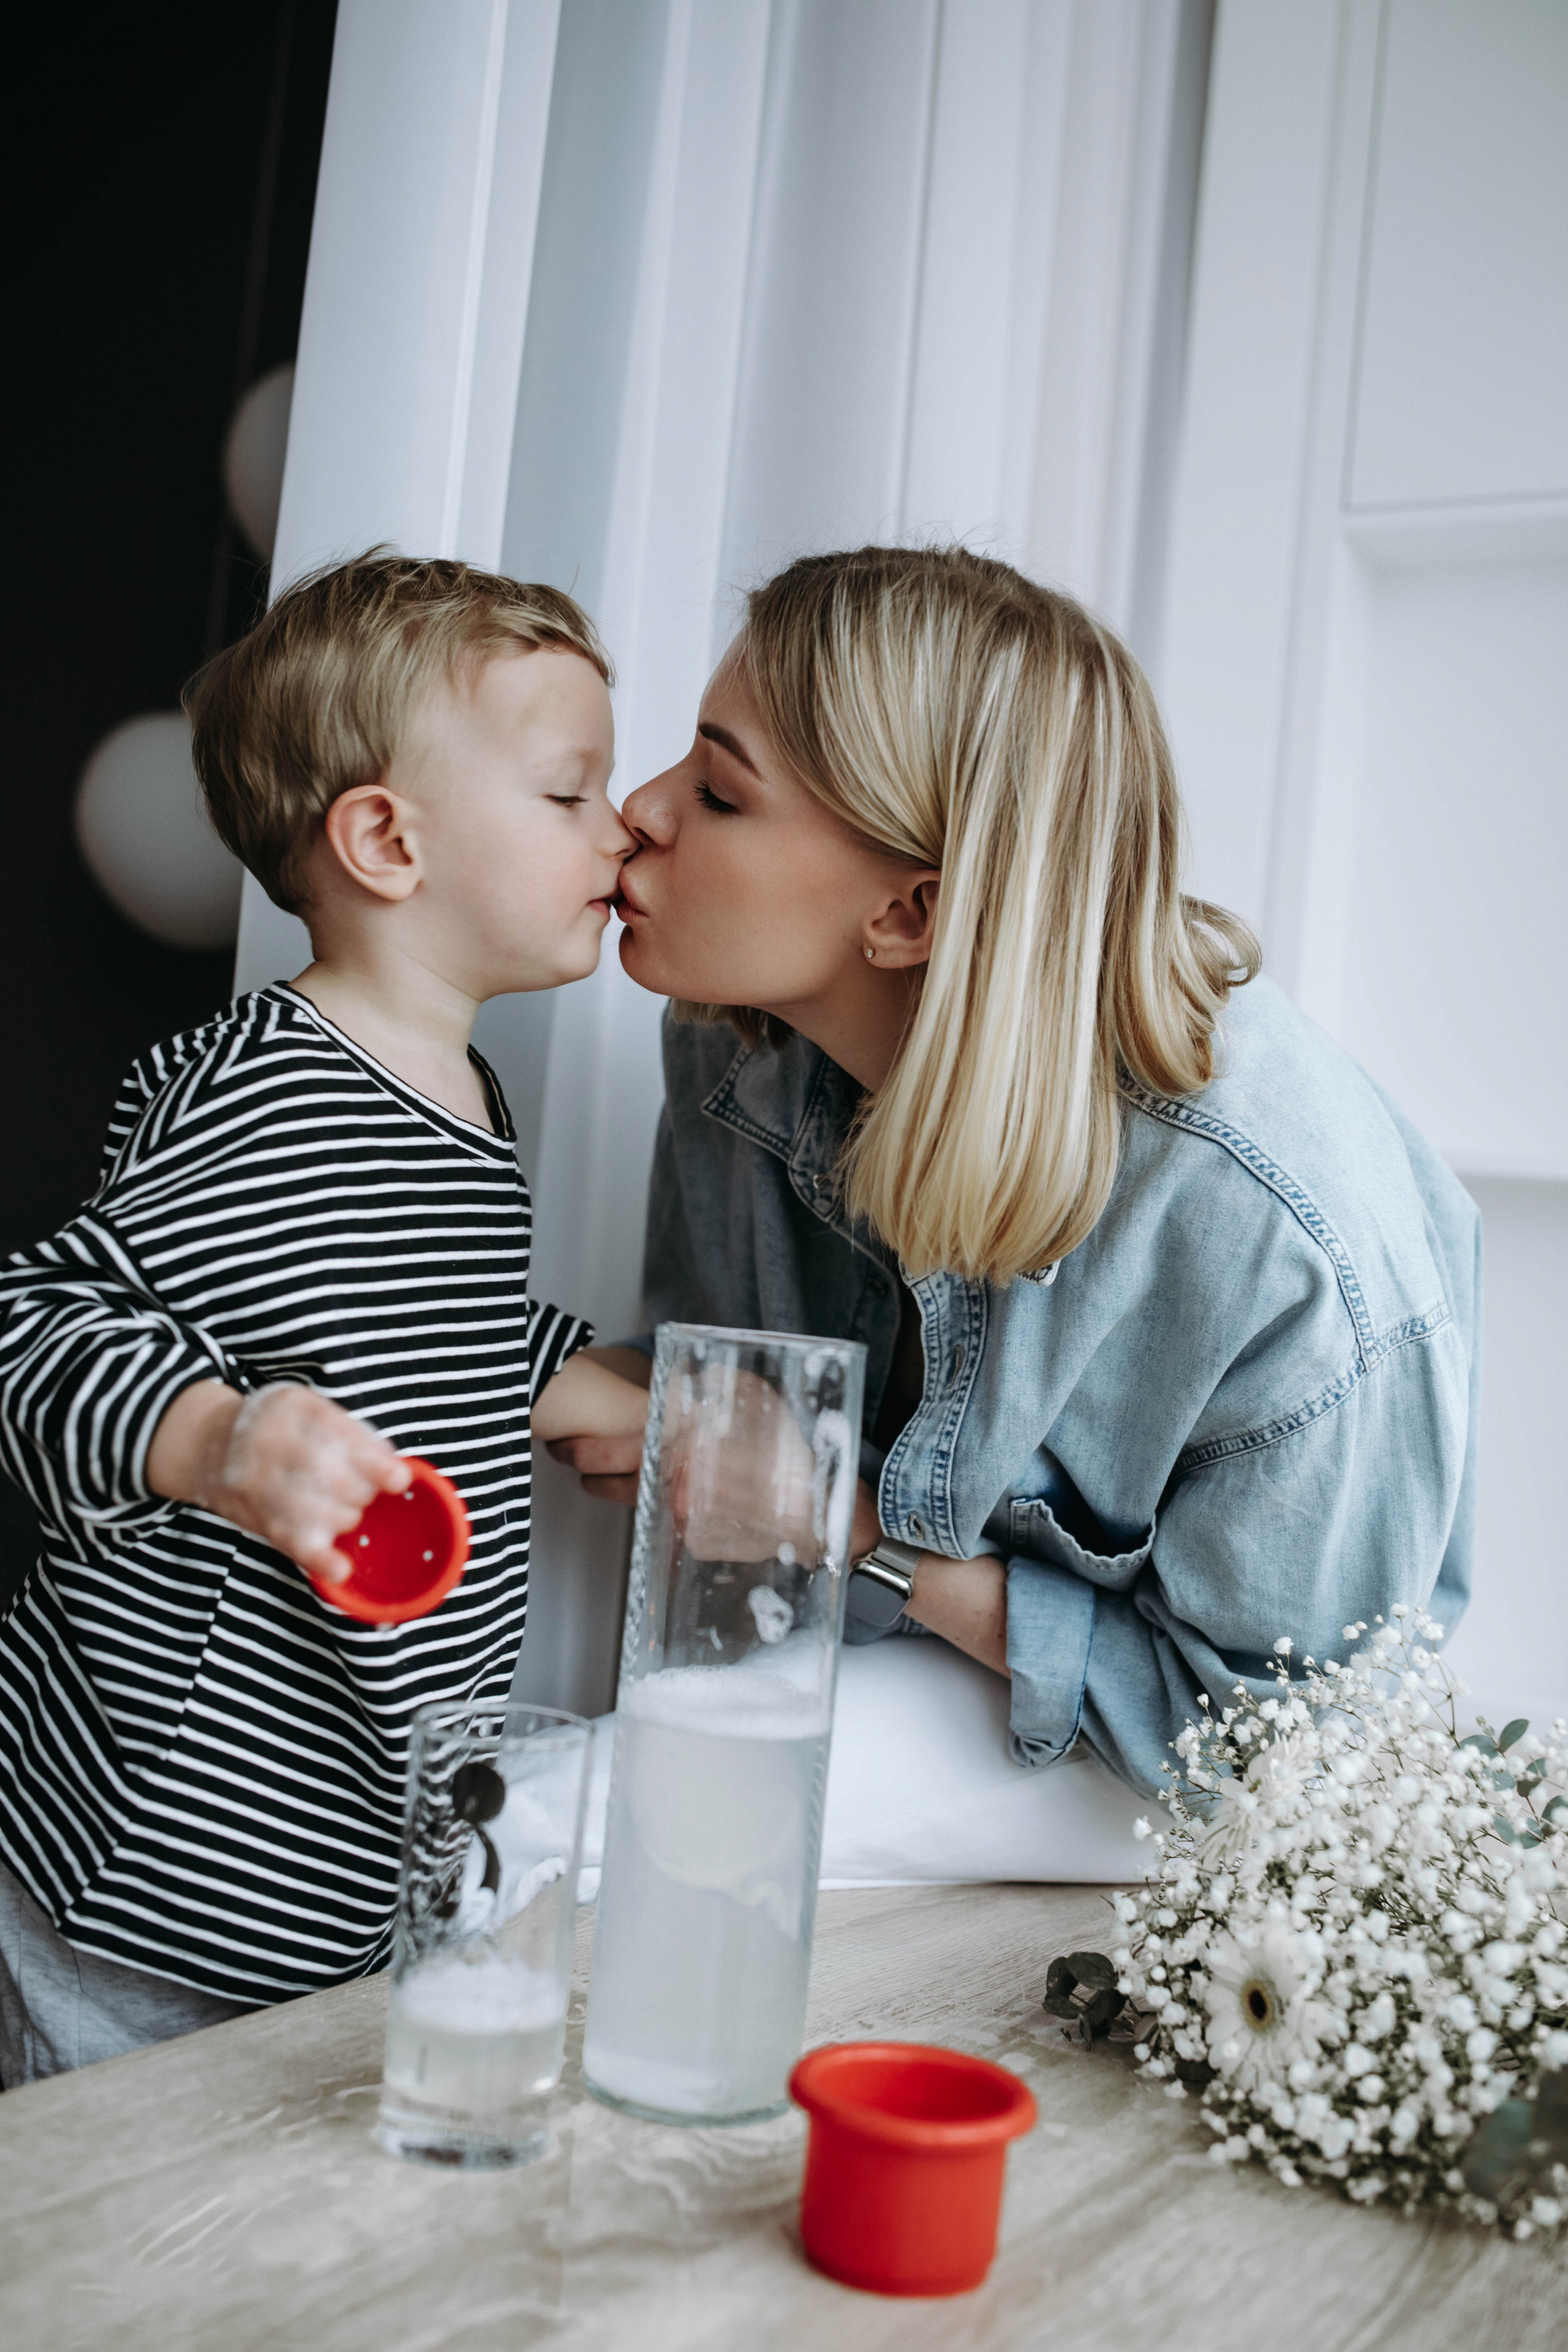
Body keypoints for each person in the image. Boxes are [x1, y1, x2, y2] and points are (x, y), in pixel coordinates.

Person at [552, 545, 1480, 1813]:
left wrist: (841, 1525)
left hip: (1194, 1782)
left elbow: (1281, 1758)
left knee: (586, 1816)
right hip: (901, 1677)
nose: (638, 813)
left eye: (717, 793)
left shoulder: (1272, 1233)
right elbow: (726, 1427)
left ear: (907, 915)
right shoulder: (738, 1043)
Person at [0, 554, 649, 2082]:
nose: (618, 828)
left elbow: (398, 1315)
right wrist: (214, 1439)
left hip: (327, 1847)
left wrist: (581, 1378)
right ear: (385, 841)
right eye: (569, 794)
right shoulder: (266, 1088)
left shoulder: (462, 1096)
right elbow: (35, 1328)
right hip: (159, 1858)